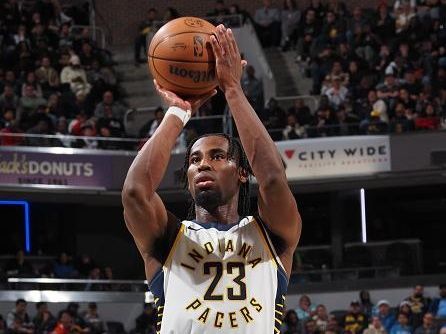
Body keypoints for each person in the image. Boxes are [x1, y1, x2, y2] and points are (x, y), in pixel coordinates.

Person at [122, 24, 302, 333]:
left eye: (217, 156)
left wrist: (232, 89)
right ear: (188, 177)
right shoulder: (169, 239)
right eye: (194, 160)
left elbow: (273, 178)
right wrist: (178, 113)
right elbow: (135, 192)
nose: (203, 164)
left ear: (242, 173)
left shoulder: (272, 236)